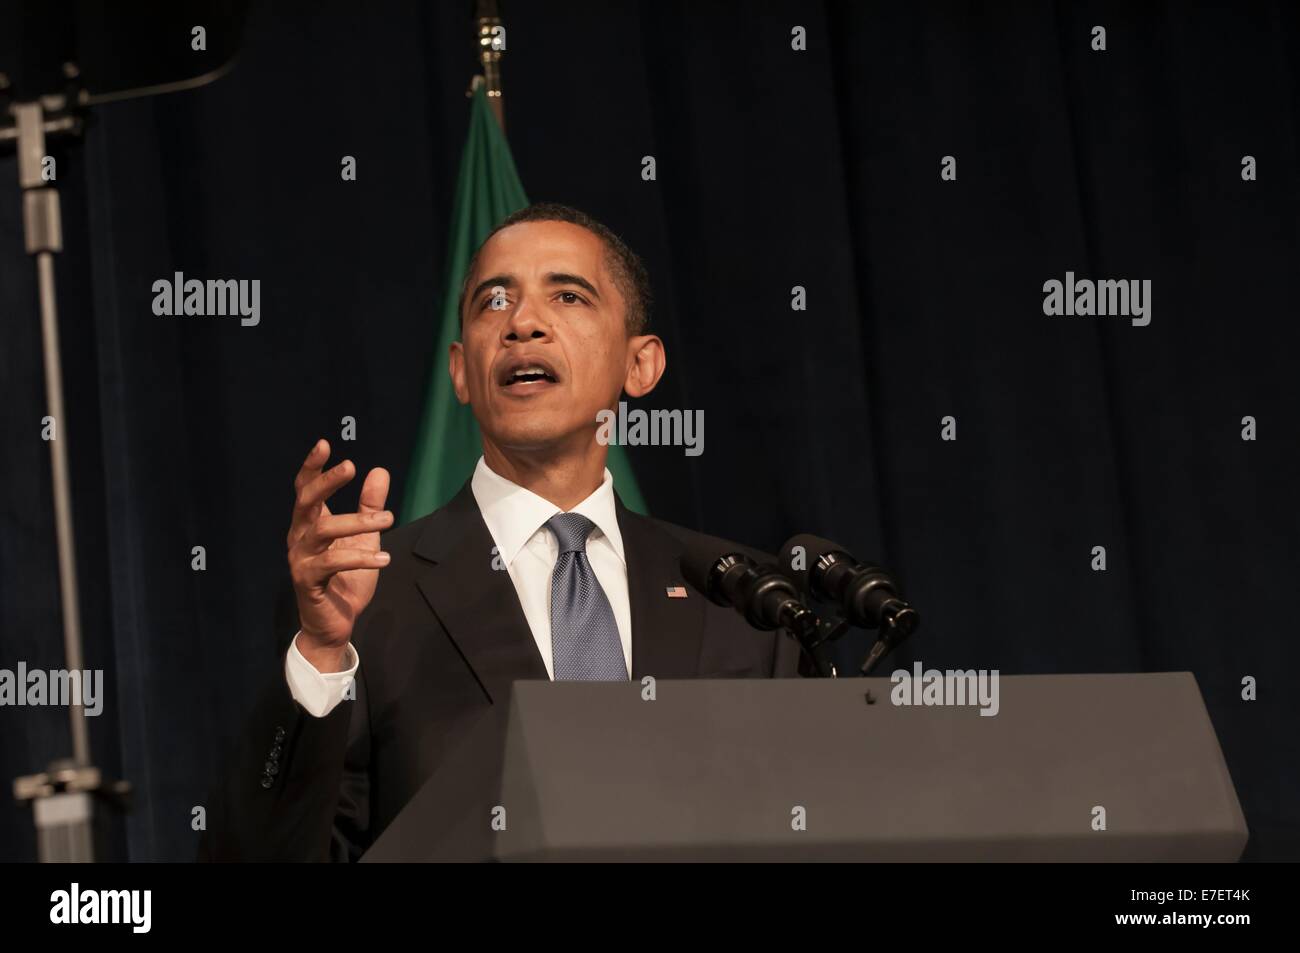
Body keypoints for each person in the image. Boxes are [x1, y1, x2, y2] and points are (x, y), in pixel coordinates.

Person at [201, 204, 800, 861]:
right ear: (461, 370)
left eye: (568, 295)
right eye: (494, 302)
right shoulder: (367, 595)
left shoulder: (741, 597)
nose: (524, 324)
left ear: (641, 364)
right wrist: (319, 655)